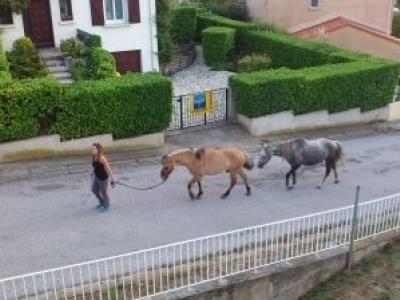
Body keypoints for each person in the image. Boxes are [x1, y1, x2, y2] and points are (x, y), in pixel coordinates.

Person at [91, 143, 117, 213]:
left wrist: (113, 178)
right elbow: (96, 166)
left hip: (103, 178)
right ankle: (102, 202)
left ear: (98, 149)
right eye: (91, 149)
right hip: (96, 177)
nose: (92, 150)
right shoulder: (94, 156)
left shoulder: (101, 157)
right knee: (94, 190)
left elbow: (108, 168)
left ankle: (106, 205)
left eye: (94, 149)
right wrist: (93, 173)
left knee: (104, 192)